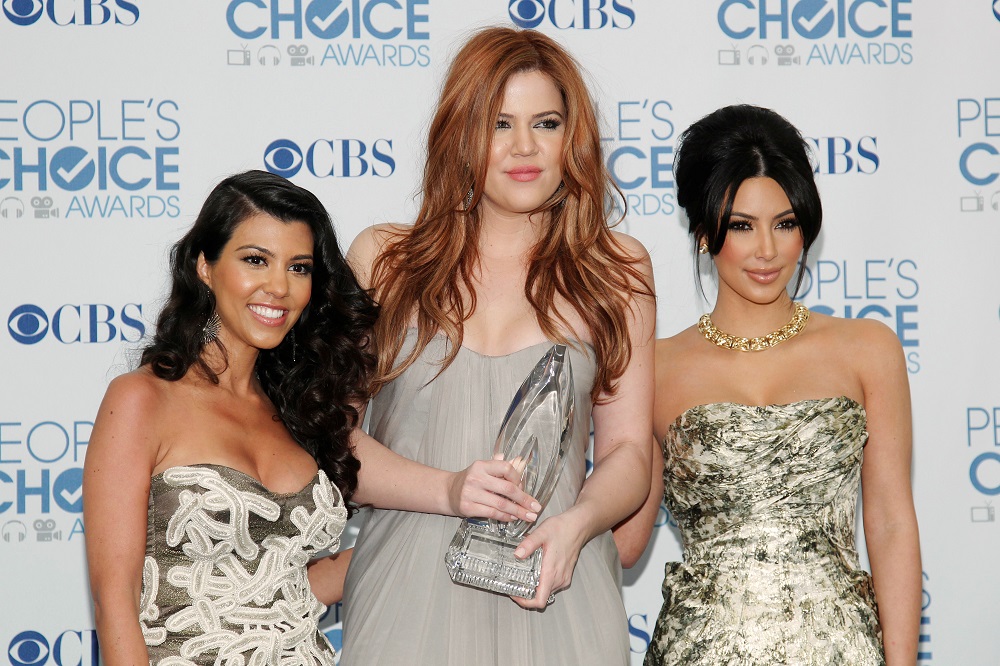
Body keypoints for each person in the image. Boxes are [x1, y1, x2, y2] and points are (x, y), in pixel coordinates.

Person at [338, 27, 656, 665]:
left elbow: (628, 453)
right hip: (405, 593)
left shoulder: (616, 270)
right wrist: (448, 491)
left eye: (545, 122)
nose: (524, 147)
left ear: (574, 137)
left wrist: (579, 523)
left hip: (557, 588)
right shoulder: (385, 261)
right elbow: (337, 444)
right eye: (499, 123)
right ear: (462, 134)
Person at [643, 105, 921, 665]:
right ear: (703, 231)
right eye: (742, 226)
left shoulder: (868, 349)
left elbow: (890, 521)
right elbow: (625, 544)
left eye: (785, 223)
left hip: (842, 652)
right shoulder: (654, 367)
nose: (767, 250)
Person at [83, 170, 379, 665]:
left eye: (299, 267)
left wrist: (418, 543)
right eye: (256, 260)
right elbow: (115, 605)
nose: (279, 287)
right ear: (205, 266)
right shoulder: (142, 399)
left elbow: (288, 585)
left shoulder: (301, 409)